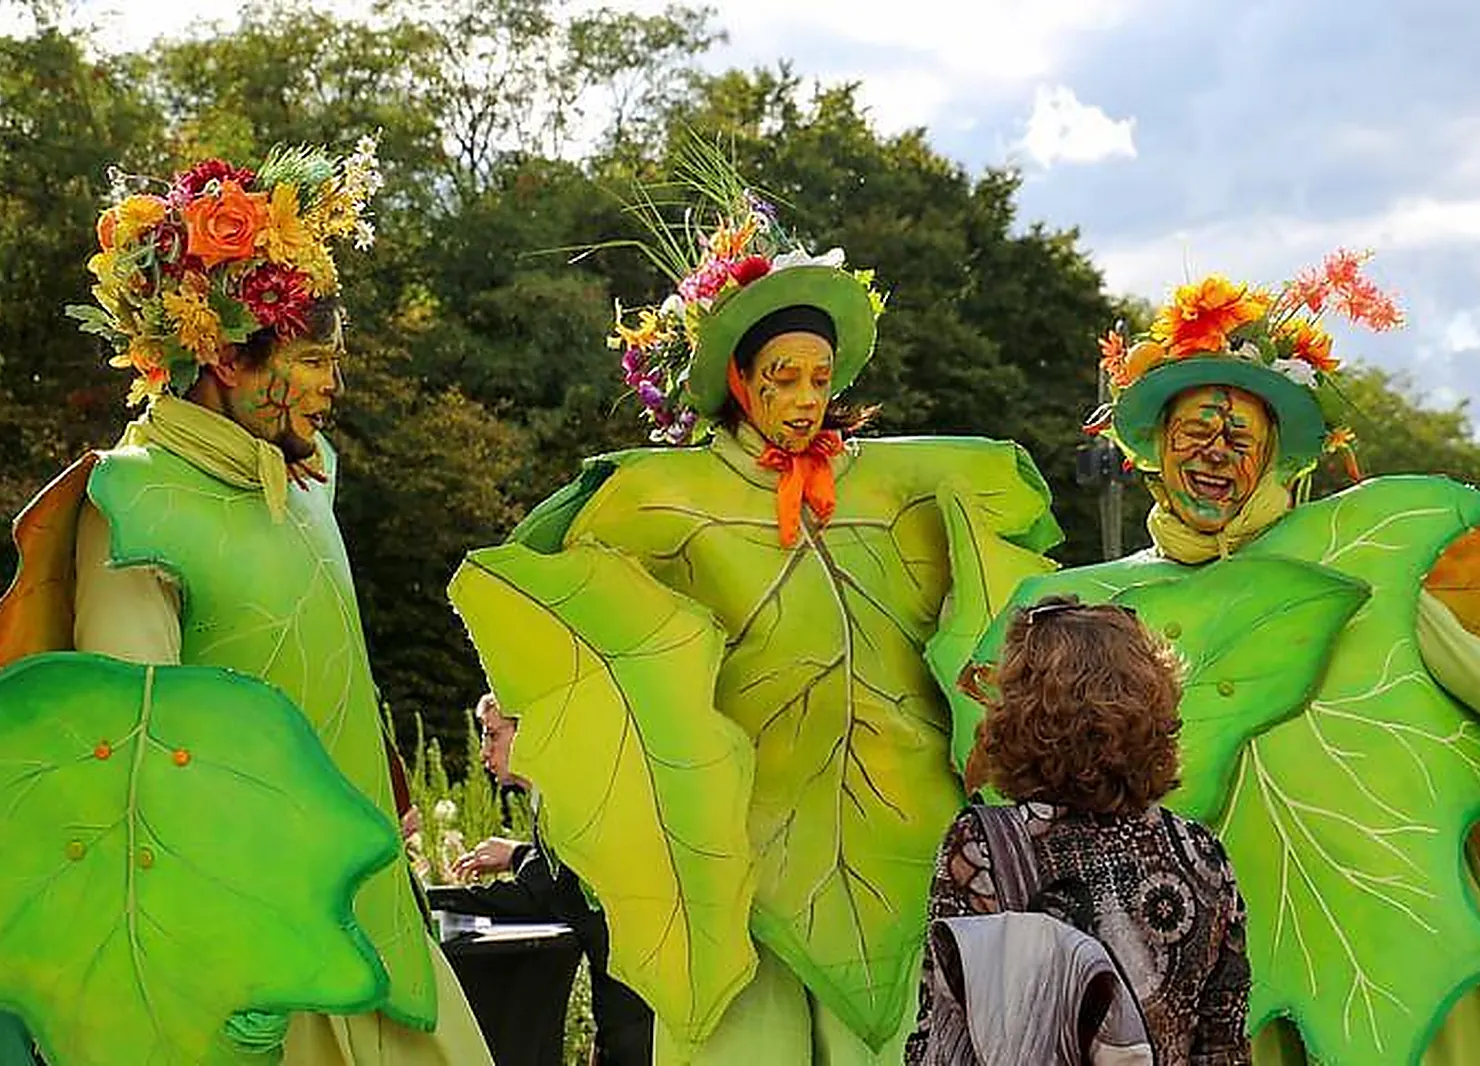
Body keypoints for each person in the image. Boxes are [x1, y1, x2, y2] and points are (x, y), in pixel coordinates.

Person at [448, 141, 1061, 1064]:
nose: (807, 400)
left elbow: (1004, 561)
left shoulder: (902, 488)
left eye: (821, 378)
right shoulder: (667, 501)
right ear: (739, 381)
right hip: (736, 856)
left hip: (901, 848)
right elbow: (560, 582)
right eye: (783, 379)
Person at [974, 251, 1480, 1066]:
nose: (1216, 455)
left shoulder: (1367, 563)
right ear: (1155, 449)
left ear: (1274, 456)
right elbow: (1024, 781)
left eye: (1241, 438)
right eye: (1195, 433)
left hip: (1395, 935)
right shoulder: (1094, 607)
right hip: (1202, 958)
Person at [0, 144, 491, 1064]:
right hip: (244, 955)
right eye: (312, 359)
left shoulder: (309, 485)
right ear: (225, 354)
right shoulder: (134, 503)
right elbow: (130, 766)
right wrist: (207, 971)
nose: (332, 385)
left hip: (376, 921)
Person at [907, 595, 1250, 1065]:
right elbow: (1224, 1047)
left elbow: (943, 1035)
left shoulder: (983, 846)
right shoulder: (1200, 855)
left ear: (1021, 714)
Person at [449, 693, 655, 1065]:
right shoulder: (555, 797)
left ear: (530, 733)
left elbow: (539, 894)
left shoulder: (566, 799)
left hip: (641, 1005)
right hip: (626, 1001)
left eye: (492, 735)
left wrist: (433, 898)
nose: (483, 753)